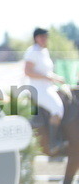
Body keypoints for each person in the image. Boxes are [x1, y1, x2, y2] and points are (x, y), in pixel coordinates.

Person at [23, 27, 67, 156]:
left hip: (48, 86)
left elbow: (47, 71)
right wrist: (48, 77)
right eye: (42, 37)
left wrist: (57, 78)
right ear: (36, 38)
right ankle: (53, 143)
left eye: (45, 37)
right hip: (37, 89)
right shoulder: (32, 52)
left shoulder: (44, 51)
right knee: (57, 109)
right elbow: (28, 72)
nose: (44, 39)